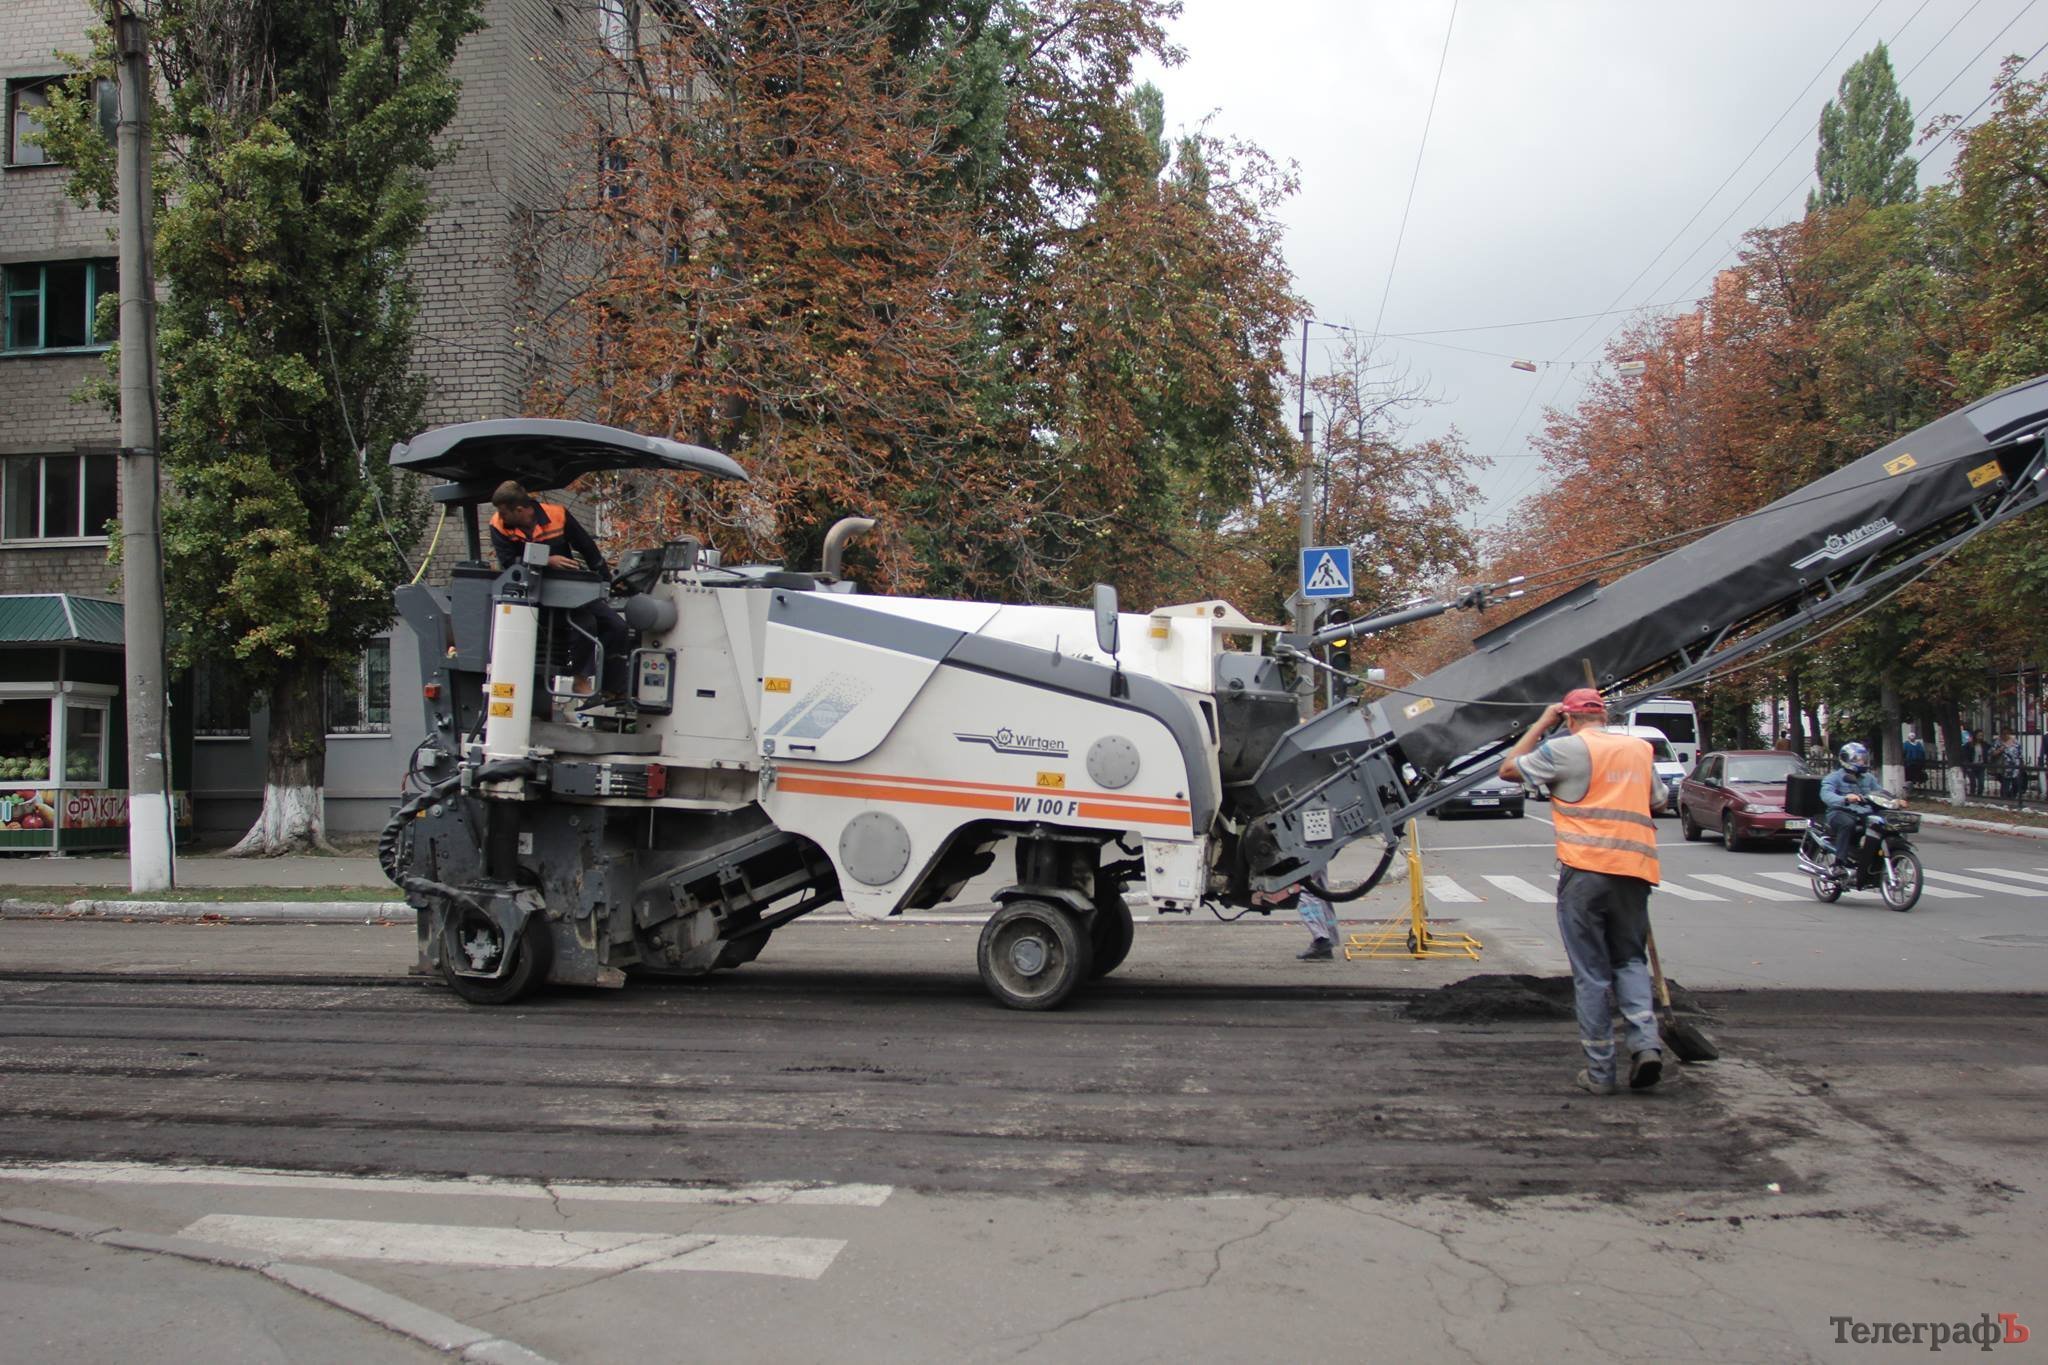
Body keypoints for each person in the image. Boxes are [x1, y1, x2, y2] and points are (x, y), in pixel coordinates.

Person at [1501, 688, 1667, 1097]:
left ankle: (1600, 1073)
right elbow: (1659, 802)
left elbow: (1508, 770)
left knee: (1591, 973)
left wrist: (1542, 723)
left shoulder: (1563, 749)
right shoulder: (1639, 749)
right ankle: (1646, 1045)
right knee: (1630, 960)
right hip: (1634, 871)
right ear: (1603, 716)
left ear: (1570, 719)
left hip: (1586, 873)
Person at [489, 481, 633, 697]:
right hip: (532, 597)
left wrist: (605, 582)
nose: (500, 517)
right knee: (586, 623)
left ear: (519, 510)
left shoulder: (558, 515)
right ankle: (580, 679)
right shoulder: (498, 525)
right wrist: (546, 560)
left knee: (616, 626)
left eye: (503, 512)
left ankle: (612, 689)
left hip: (570, 591)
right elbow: (508, 562)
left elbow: (588, 548)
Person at [1819, 742, 1883, 875]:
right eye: (1858, 759)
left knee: (1882, 823)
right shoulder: (1834, 777)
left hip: (1863, 812)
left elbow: (1879, 792)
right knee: (1847, 824)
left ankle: (1874, 857)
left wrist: (1894, 800)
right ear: (1845, 759)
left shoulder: (1869, 778)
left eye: (1863, 759)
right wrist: (1845, 798)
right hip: (1839, 811)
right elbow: (1826, 795)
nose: (1862, 762)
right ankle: (1839, 863)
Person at [1996, 733, 2026, 802]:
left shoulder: (2016, 743)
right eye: (2004, 733)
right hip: (2004, 767)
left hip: (2015, 767)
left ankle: (2012, 796)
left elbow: (2020, 754)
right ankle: (2004, 798)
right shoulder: (1999, 742)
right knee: (2005, 783)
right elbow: (1993, 752)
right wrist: (2001, 749)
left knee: (2016, 783)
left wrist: (2021, 762)